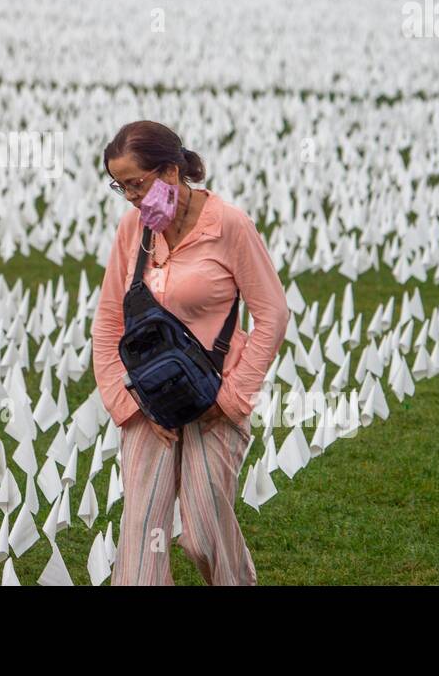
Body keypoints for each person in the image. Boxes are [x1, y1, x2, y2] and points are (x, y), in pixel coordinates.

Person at [92, 120, 289, 585]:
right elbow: (108, 321)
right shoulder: (134, 230)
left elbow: (273, 313)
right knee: (142, 539)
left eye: (137, 184)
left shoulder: (229, 226)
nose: (133, 198)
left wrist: (233, 396)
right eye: (120, 188)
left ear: (170, 172)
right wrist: (127, 405)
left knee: (202, 532)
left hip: (213, 403)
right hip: (148, 406)